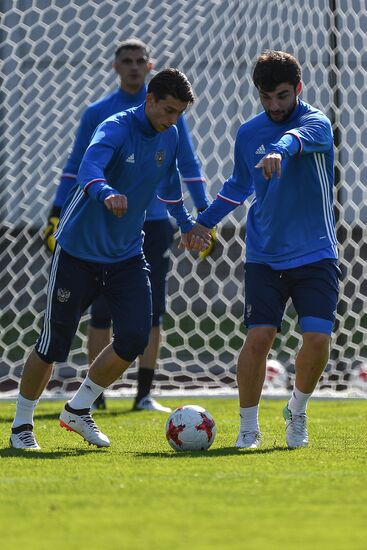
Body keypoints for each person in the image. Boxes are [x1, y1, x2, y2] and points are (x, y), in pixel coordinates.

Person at [10, 68, 212, 450]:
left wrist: (187, 223)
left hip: (126, 255)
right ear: (149, 100)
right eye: (168, 110)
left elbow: (170, 186)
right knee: (53, 344)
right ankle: (22, 425)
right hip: (77, 254)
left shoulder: (169, 136)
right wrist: (104, 192)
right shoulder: (115, 126)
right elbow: (88, 168)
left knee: (135, 336)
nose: (173, 120)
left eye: (179, 114)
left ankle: (79, 408)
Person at [43, 38, 216, 413]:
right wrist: (56, 211)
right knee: (101, 314)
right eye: (127, 60)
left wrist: (202, 219)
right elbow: (79, 164)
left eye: (141, 60)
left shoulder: (171, 117)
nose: (135, 66)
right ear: (115, 66)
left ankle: (144, 394)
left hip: (150, 226)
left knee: (149, 312)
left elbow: (185, 165)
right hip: (101, 226)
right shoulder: (101, 114)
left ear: (149, 65)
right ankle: (94, 397)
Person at [188, 50, 339, 449]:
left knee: (318, 339)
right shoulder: (249, 132)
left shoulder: (316, 124)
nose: (275, 105)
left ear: (299, 89)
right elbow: (239, 185)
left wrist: (281, 149)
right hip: (264, 254)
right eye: (266, 97)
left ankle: (298, 409)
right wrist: (205, 221)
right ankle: (248, 427)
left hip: (315, 252)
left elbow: (297, 138)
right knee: (259, 337)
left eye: (283, 96)